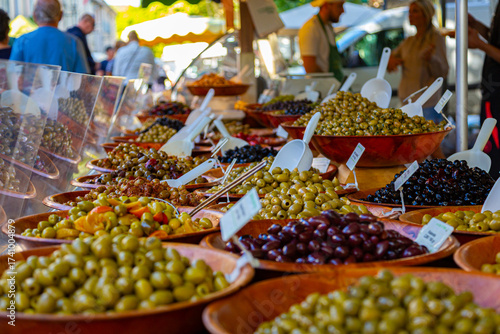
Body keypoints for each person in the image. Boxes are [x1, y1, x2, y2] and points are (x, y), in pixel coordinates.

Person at [387, 0, 448, 122]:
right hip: (407, 104)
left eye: (415, 11)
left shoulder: (436, 38)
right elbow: (389, 59)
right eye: (409, 11)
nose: (410, 15)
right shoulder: (409, 41)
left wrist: (431, 59)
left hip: (427, 105)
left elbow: (443, 72)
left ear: (425, 14)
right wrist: (390, 61)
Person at [10, 0, 89, 73]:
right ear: (61, 15)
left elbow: (12, 74)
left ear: (34, 16)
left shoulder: (22, 41)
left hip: (30, 89)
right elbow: (83, 80)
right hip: (64, 89)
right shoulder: (74, 43)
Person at [468, 5, 500, 178]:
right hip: (491, 93)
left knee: (494, 157)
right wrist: (478, 26)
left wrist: (479, 44)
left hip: (497, 96)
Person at [298, 0, 345, 82]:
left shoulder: (328, 27)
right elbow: (310, 67)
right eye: (339, 6)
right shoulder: (311, 28)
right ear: (326, 5)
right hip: (324, 88)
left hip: (336, 83)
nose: (343, 11)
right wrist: (330, 83)